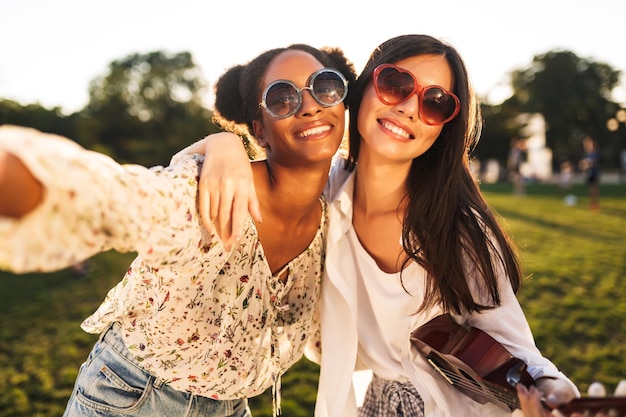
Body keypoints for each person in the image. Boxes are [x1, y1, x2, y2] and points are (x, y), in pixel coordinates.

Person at [182, 34, 583, 417]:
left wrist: (552, 388)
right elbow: (265, 160)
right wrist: (223, 144)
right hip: (371, 402)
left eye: (436, 102)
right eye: (395, 83)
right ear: (360, 89)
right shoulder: (324, 191)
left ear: (443, 126)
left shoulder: (457, 227)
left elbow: (514, 343)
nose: (410, 107)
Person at [0, 42, 356, 417]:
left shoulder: (334, 216)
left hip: (230, 406)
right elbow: (119, 199)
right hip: (135, 399)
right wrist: (16, 178)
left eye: (325, 86)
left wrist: (219, 141)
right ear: (259, 131)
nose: (311, 104)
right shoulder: (209, 188)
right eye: (282, 98)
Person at [579, 135, 601, 211]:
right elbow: (583, 164)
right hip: (589, 174)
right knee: (590, 189)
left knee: (594, 189)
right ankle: (592, 203)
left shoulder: (595, 153)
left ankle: (595, 204)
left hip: (594, 173)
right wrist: (583, 166)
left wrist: (588, 164)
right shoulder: (586, 154)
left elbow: (595, 162)